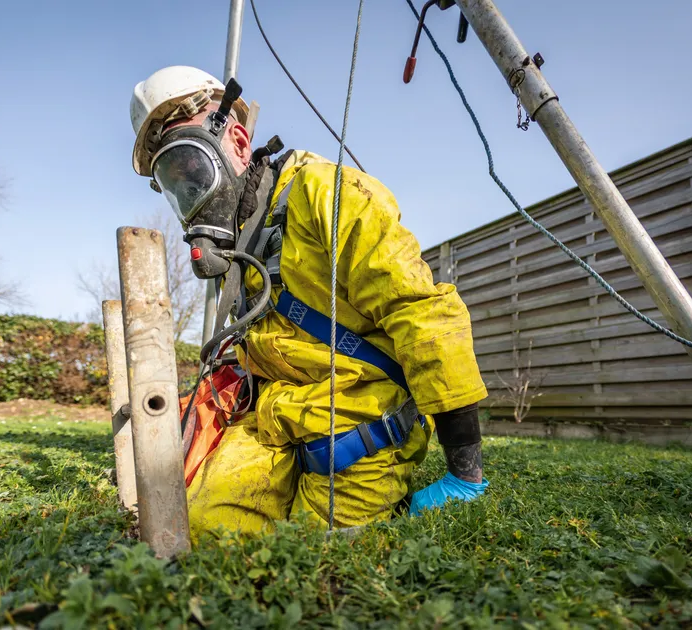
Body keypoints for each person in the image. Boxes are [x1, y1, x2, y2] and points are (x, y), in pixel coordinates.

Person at [129, 66, 489, 539]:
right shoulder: (243, 243)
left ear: (236, 141)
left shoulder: (329, 194)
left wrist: (466, 470)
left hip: (359, 428)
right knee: (201, 534)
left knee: (312, 563)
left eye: (191, 170)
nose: (191, 195)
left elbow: (422, 313)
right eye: (174, 184)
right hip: (273, 423)